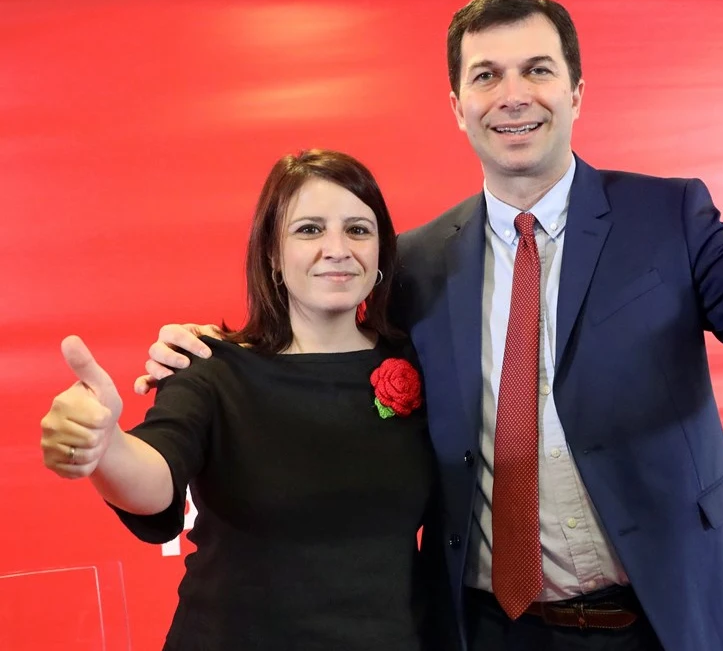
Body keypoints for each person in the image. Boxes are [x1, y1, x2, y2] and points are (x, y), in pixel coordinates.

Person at [131, 0, 723, 650]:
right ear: (456, 106)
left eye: (535, 69)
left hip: (665, 614)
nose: (511, 93)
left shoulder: (667, 217)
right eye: (485, 75)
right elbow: (320, 353)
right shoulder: (414, 259)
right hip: (485, 626)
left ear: (576, 90)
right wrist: (212, 353)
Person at [38, 149, 450, 651]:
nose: (338, 248)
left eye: (359, 230)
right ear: (273, 254)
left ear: (383, 251)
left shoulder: (426, 361)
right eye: (310, 230)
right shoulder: (211, 365)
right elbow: (156, 479)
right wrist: (103, 447)